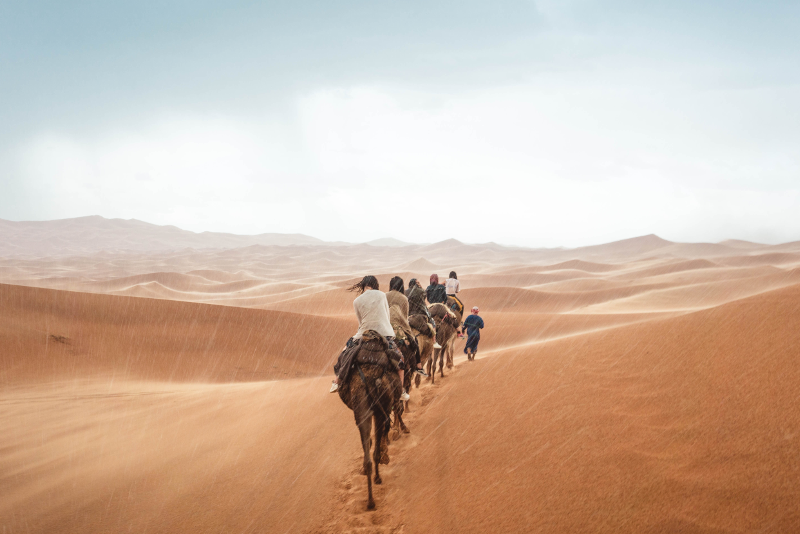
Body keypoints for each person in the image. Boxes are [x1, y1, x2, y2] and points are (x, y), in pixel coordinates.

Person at [330, 275, 411, 401]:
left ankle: (337, 381)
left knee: (345, 352)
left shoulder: (356, 301)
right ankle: (400, 391)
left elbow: (360, 321)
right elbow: (386, 315)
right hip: (384, 333)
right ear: (375, 284)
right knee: (400, 360)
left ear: (363, 286)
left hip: (364, 332)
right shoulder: (382, 295)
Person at [386, 276, 428, 377]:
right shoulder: (404, 298)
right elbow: (405, 317)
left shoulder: (385, 296)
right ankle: (418, 366)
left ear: (391, 285)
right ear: (401, 286)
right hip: (399, 326)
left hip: (385, 325)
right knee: (415, 342)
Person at [406, 278, 441, 349]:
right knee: (432, 322)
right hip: (420, 313)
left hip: (409, 315)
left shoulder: (405, 292)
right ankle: (434, 341)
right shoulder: (421, 291)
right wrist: (420, 287)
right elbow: (425, 296)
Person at [445, 271, 464, 336]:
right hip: (452, 296)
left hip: (446, 297)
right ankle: (460, 321)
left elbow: (442, 285)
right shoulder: (457, 281)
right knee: (462, 306)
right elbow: (457, 291)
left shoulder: (446, 280)